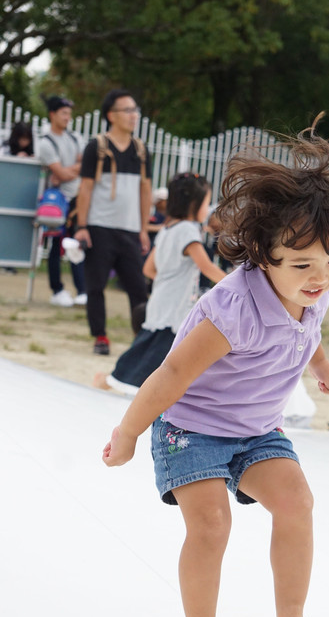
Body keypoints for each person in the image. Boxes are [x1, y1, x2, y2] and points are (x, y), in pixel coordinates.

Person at [102, 116, 329, 617]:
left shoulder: (313, 286)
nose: (321, 279)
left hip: (255, 430)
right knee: (211, 525)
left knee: (297, 501)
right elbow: (170, 373)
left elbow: (311, 324)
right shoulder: (232, 311)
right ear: (263, 256)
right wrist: (128, 431)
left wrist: (320, 365)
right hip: (190, 429)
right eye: (302, 266)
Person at [93, 173, 226, 393]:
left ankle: (113, 380)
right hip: (174, 304)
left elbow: (148, 269)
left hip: (161, 297)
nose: (208, 207)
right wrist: (236, 285)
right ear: (194, 203)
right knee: (157, 350)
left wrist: (168, 279)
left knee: (150, 346)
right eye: (206, 201)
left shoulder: (167, 229)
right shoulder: (188, 230)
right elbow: (207, 267)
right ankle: (112, 380)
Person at [75, 89, 151, 355]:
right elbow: (85, 188)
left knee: (138, 289)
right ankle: (100, 337)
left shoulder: (141, 150)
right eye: (127, 110)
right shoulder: (96, 147)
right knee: (95, 286)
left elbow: (145, 190)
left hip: (130, 230)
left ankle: (141, 340)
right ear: (111, 115)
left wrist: (143, 229)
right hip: (99, 227)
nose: (133, 115)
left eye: (135, 110)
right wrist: (82, 227)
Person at [38, 96, 87, 307]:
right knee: (56, 245)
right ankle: (57, 289)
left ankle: (82, 289)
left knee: (77, 244)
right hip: (58, 202)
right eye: (64, 113)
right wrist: (70, 170)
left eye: (69, 113)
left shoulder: (75, 138)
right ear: (53, 115)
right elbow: (60, 173)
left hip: (77, 199)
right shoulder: (45, 142)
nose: (68, 117)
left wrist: (68, 171)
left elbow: (79, 168)